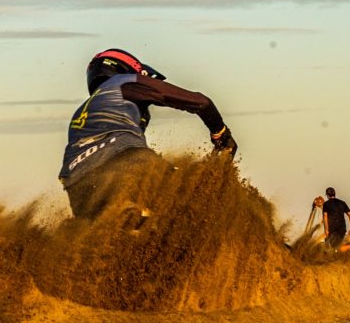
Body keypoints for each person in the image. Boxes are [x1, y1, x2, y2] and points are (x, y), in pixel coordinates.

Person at [59, 48, 237, 220]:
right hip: (124, 159)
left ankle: (130, 214)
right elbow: (202, 103)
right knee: (190, 193)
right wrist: (221, 134)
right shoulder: (124, 82)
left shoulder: (81, 113)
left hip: (77, 187)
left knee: (110, 228)